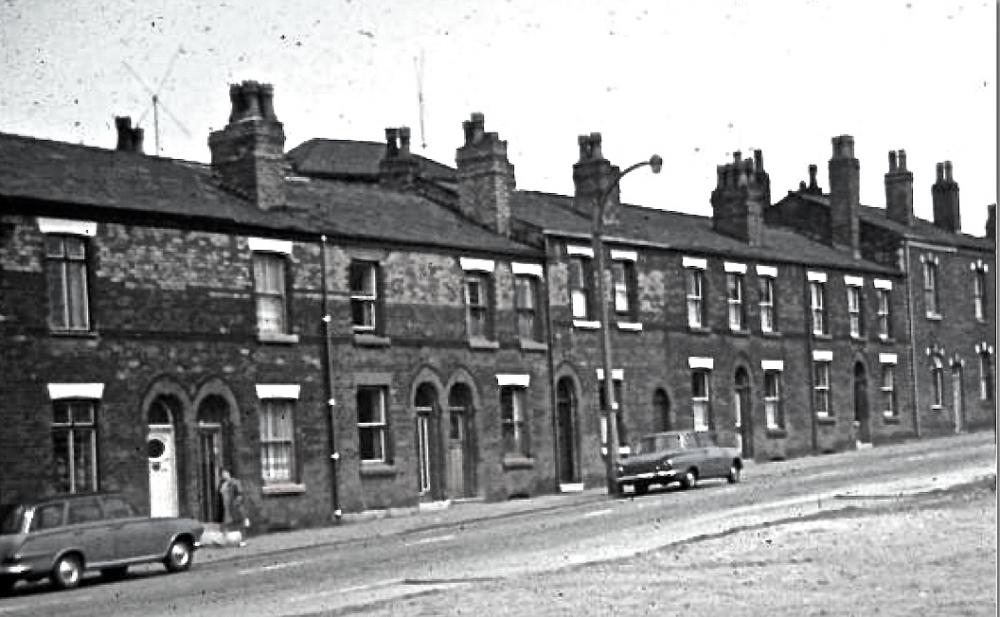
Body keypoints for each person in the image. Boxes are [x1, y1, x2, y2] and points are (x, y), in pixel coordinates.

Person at [218, 469, 248, 547]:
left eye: (225, 473)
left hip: (235, 507)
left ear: (229, 473)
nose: (224, 475)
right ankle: (226, 541)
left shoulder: (235, 482)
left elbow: (240, 494)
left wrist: (236, 504)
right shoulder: (223, 484)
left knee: (240, 524)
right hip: (226, 507)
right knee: (226, 525)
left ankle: (243, 541)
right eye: (222, 474)